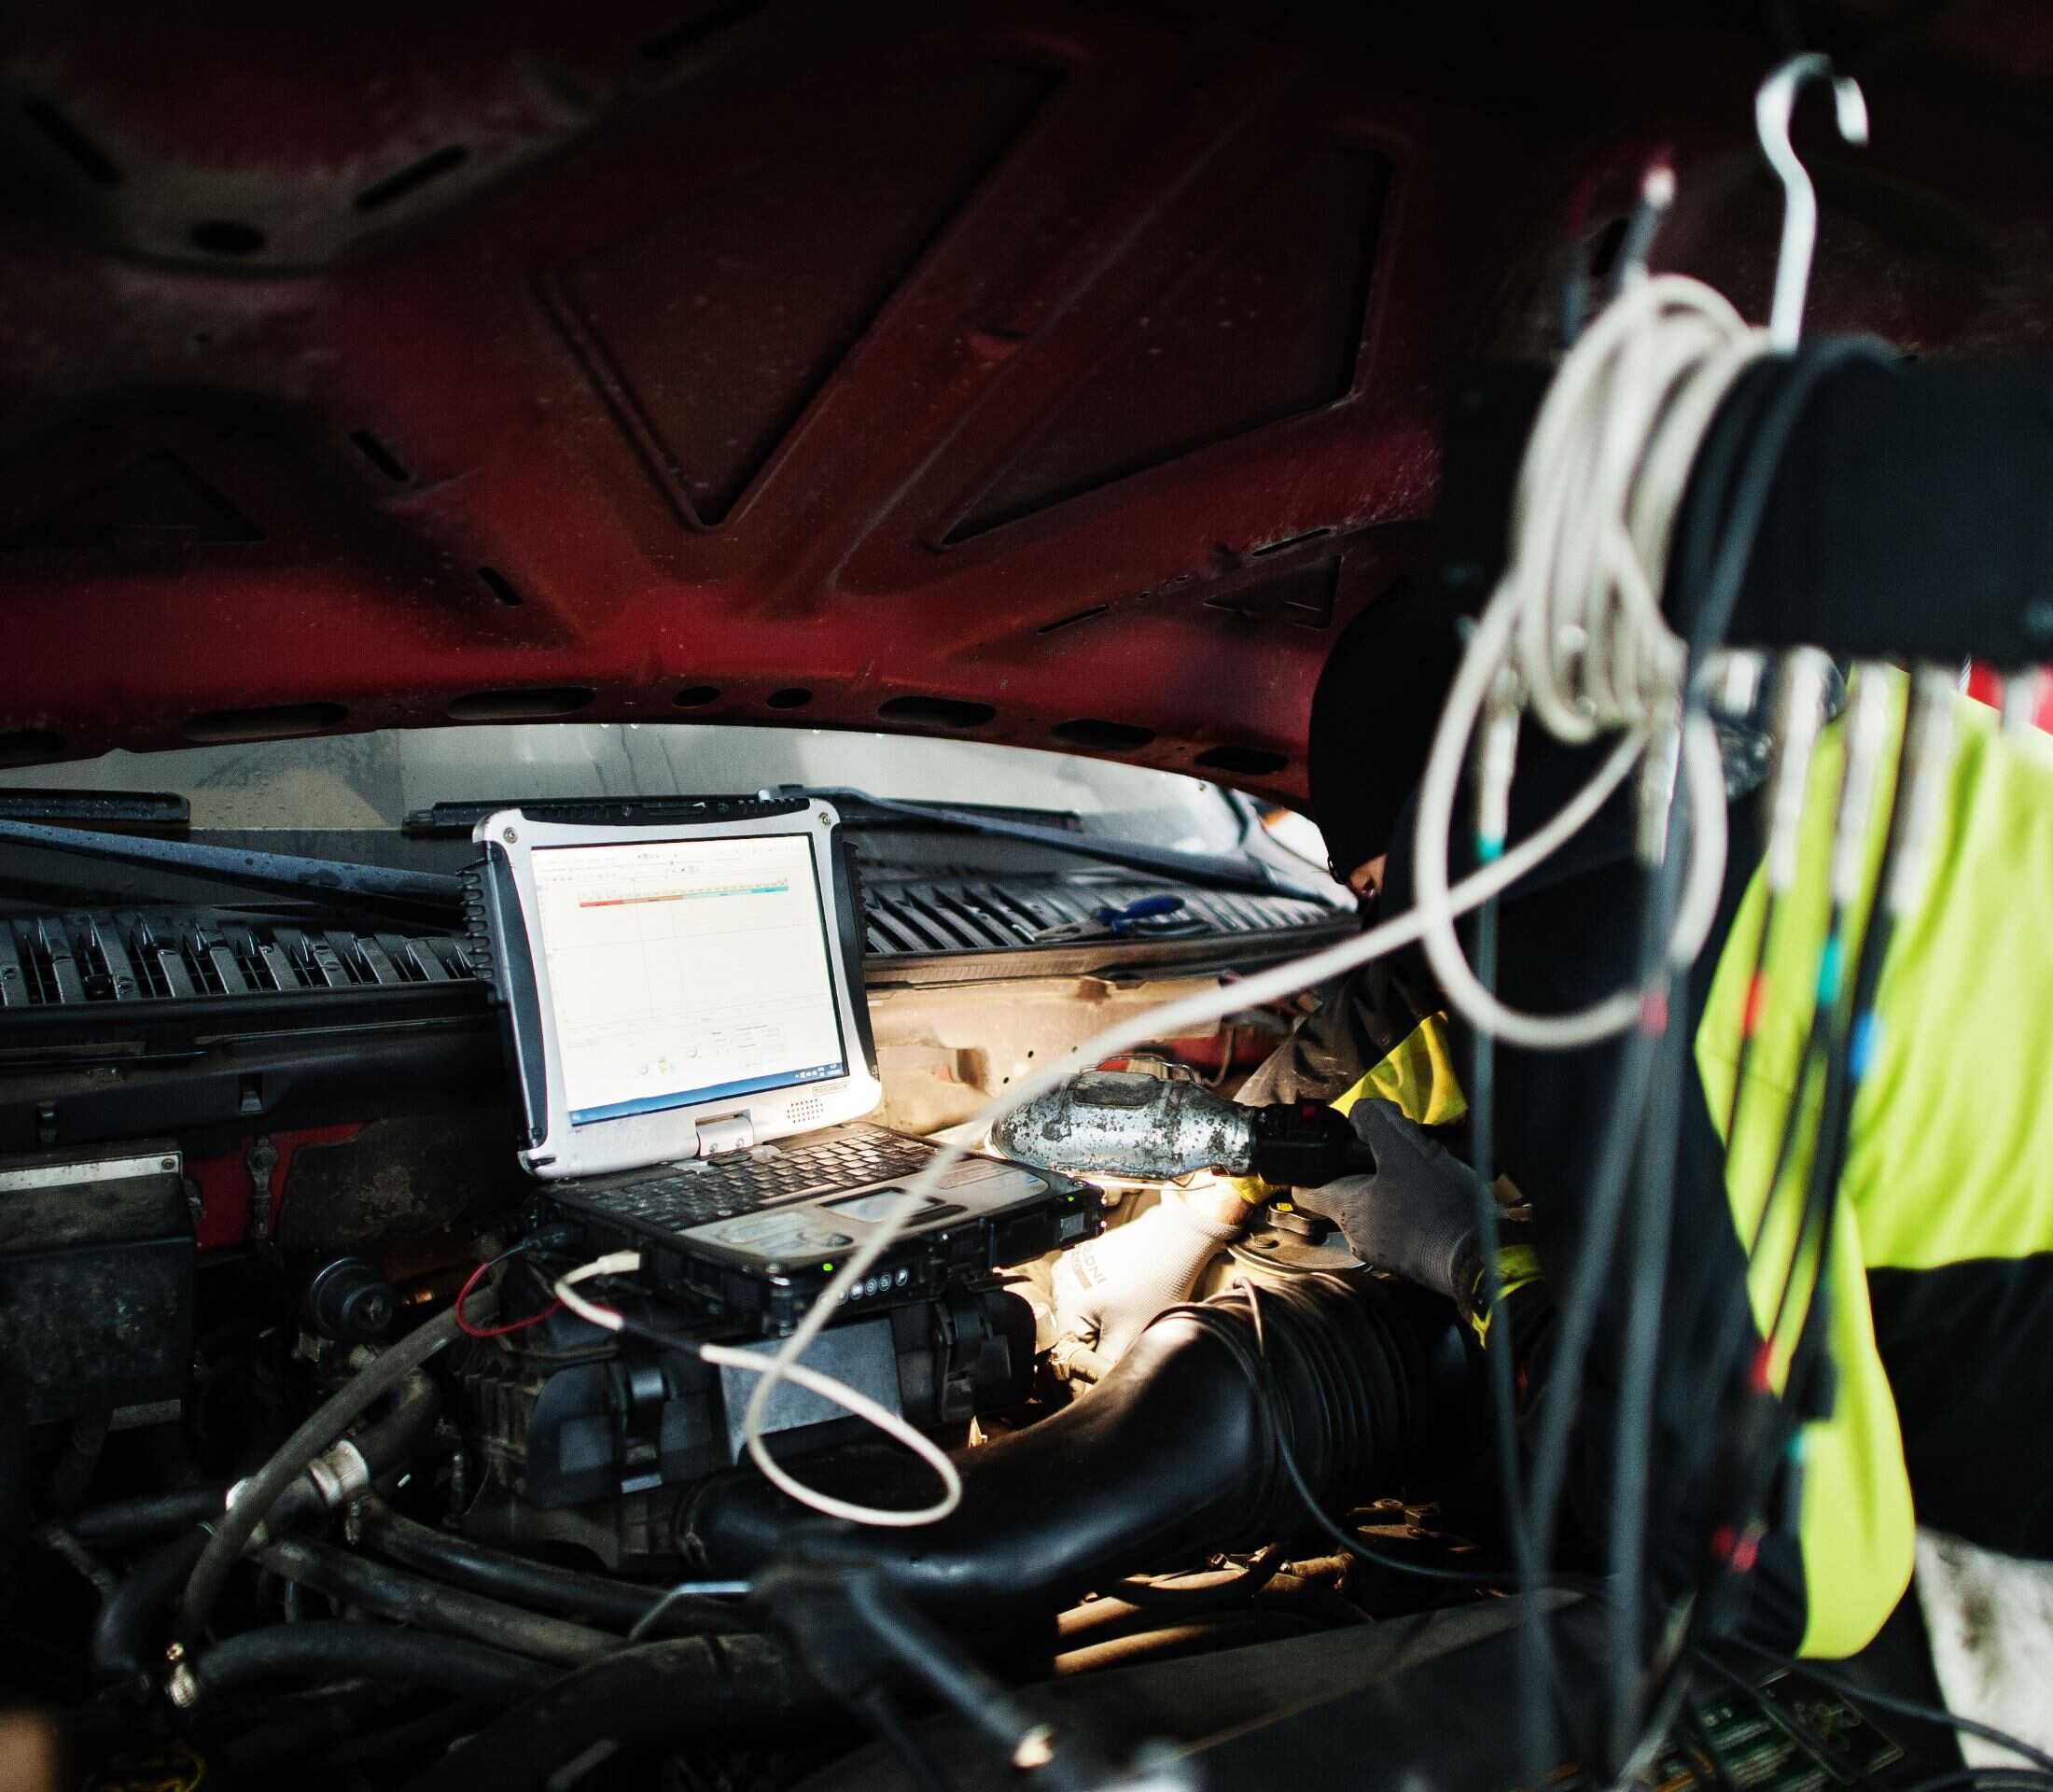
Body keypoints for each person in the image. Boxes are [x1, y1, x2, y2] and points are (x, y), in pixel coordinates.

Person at [1055, 589, 2053, 1697]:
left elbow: (1790, 1575)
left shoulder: (1648, 997)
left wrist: (1481, 1270)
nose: (1395, 936)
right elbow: (1420, 1019)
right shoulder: (1806, 749)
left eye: (1379, 891)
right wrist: (1212, 1185)